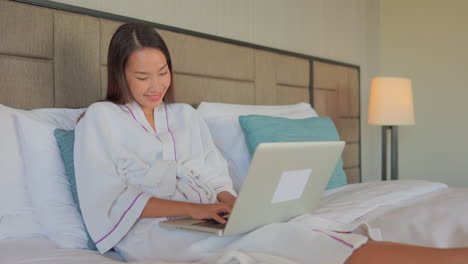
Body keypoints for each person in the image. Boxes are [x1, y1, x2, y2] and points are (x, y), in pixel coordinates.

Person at [74, 22, 468, 264]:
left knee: (295, 224)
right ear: (120, 74)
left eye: (163, 72)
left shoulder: (184, 117)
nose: (157, 85)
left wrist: (229, 202)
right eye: (142, 77)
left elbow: (214, 175)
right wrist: (203, 208)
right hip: (152, 233)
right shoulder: (100, 120)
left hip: (203, 217)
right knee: (277, 239)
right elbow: (112, 199)